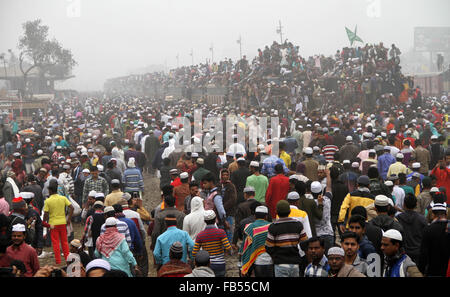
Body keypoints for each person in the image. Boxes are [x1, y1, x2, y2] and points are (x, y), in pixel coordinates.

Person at [265, 200, 308, 277]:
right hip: (295, 264)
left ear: (276, 212)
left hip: (280, 264)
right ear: (289, 211)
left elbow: (269, 247)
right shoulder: (298, 225)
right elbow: (304, 243)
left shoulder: (273, 227)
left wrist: (275, 256)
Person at [42, 179, 74, 265]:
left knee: (55, 243)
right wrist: (69, 219)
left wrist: (44, 222)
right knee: (64, 241)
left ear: (50, 190)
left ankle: (58, 261)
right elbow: (72, 208)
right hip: (63, 222)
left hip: (53, 224)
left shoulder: (48, 201)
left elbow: (46, 213)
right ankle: (67, 258)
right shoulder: (63, 198)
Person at [192, 210, 232, 277]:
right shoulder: (221, 233)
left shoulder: (200, 235)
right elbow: (228, 247)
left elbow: (194, 253)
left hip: (206, 266)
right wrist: (226, 254)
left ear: (205, 221)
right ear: (215, 219)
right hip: (220, 265)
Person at [418, 198, 450, 277]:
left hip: (433, 271)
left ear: (432, 214)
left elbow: (423, 254)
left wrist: (420, 271)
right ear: (445, 214)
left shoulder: (428, 230)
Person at [240, 205, 273, 277]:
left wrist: (242, 263)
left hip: (257, 262)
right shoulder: (272, 226)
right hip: (271, 261)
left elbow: (245, 247)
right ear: (266, 216)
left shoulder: (249, 228)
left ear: (254, 216)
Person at [396, 193, 427, 264]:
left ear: (404, 204)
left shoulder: (398, 219)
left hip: (403, 253)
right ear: (416, 205)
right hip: (418, 253)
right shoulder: (422, 219)